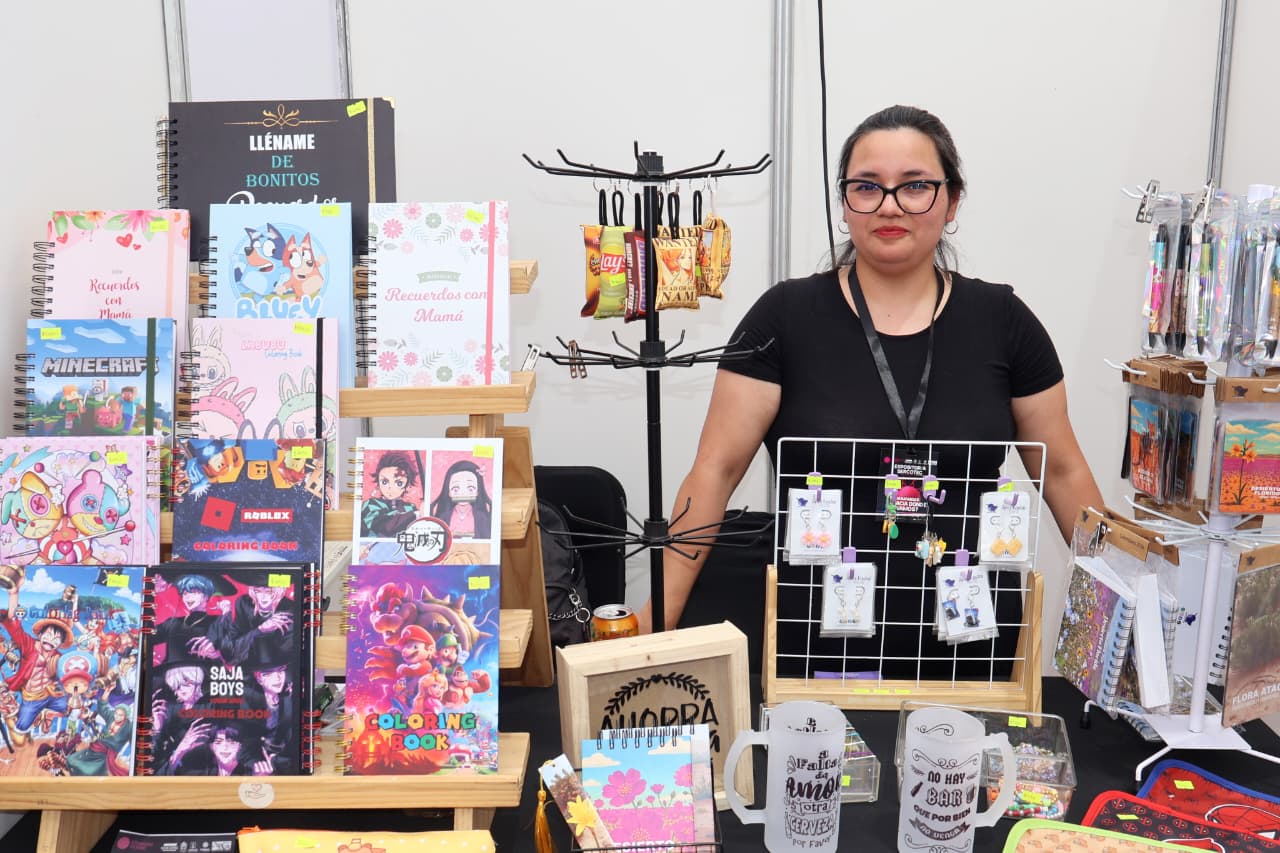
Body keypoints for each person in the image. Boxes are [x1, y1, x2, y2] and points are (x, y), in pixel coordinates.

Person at [638, 105, 1103, 647]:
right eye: (866, 186)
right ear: (844, 203)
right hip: (817, 645)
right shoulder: (783, 319)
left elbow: (1064, 473)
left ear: (952, 201)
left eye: (915, 186)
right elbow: (713, 474)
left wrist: (1113, 622)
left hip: (970, 644)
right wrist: (652, 626)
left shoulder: (1004, 322)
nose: (889, 205)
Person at [360, 451, 420, 538]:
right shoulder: (370, 504)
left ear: (407, 486)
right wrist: (416, 515)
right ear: (378, 483)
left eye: (399, 483)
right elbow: (383, 526)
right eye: (385, 482)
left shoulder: (410, 507)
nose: (390, 488)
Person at [430, 460, 493, 540]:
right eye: (456, 489)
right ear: (449, 492)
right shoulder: (443, 517)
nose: (463, 493)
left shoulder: (482, 518)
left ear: (477, 492)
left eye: (470, 489)